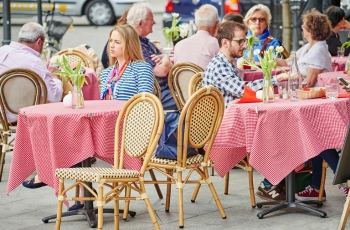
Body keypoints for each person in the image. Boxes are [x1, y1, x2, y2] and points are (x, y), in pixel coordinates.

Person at [256, 9, 334, 202]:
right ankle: (315, 186)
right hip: (305, 104)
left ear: (310, 29)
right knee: (315, 143)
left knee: (316, 142)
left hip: (313, 106)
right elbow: (293, 62)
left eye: (304, 26)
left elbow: (308, 81)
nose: (302, 28)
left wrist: (287, 75)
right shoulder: (309, 47)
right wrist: (271, 59)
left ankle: (342, 182)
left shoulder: (319, 49)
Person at [203, 21, 288, 109]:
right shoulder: (219, 66)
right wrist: (278, 78)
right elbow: (244, 90)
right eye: (240, 42)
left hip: (233, 113)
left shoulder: (227, 62)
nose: (245, 46)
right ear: (225, 43)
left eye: (244, 41)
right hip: (224, 120)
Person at [0, 22, 65, 123]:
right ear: (39, 42)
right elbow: (55, 98)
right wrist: (54, 76)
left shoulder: (2, 51)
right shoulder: (35, 62)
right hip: (27, 116)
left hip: (1, 115)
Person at [127, 3, 175, 110]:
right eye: (151, 19)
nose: (154, 22)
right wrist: (166, 57)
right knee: (190, 101)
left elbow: (170, 67)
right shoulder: (136, 44)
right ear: (140, 22)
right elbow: (162, 71)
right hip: (156, 94)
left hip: (164, 90)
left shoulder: (146, 42)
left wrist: (165, 61)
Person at [100, 24, 154, 100]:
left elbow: (145, 103)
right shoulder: (105, 73)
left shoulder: (142, 69)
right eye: (111, 41)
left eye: (117, 42)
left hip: (132, 111)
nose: (111, 45)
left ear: (129, 46)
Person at [174, 4, 219, 70]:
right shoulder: (217, 44)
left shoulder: (179, 45)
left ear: (195, 25)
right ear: (217, 25)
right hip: (203, 80)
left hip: (180, 80)